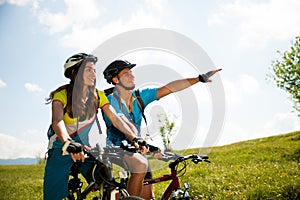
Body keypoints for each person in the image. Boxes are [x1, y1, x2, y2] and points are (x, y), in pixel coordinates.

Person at [102, 60, 222, 199]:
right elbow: (122, 124)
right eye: (127, 74)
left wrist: (198, 79)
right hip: (117, 148)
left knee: (148, 197)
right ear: (116, 79)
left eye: (131, 73)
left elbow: (169, 88)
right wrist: (144, 144)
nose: (132, 76)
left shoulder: (139, 97)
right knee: (140, 166)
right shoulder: (110, 101)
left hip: (139, 148)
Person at [43, 53, 148, 200]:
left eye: (94, 70)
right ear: (74, 73)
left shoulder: (98, 95)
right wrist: (68, 143)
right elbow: (57, 121)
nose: (93, 74)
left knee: (109, 183)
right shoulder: (62, 94)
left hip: (90, 148)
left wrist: (134, 137)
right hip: (62, 147)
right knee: (53, 196)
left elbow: (115, 119)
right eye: (88, 70)